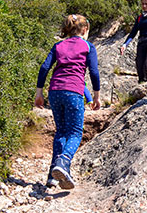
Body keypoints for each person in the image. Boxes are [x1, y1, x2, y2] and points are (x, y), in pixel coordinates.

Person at [35, 14, 100, 190]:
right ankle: (63, 162)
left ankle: (53, 177)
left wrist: (39, 93)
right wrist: (96, 96)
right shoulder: (88, 46)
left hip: (55, 91)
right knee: (76, 132)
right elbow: (93, 72)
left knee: (61, 132)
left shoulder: (58, 45)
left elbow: (44, 67)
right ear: (85, 29)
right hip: (74, 91)